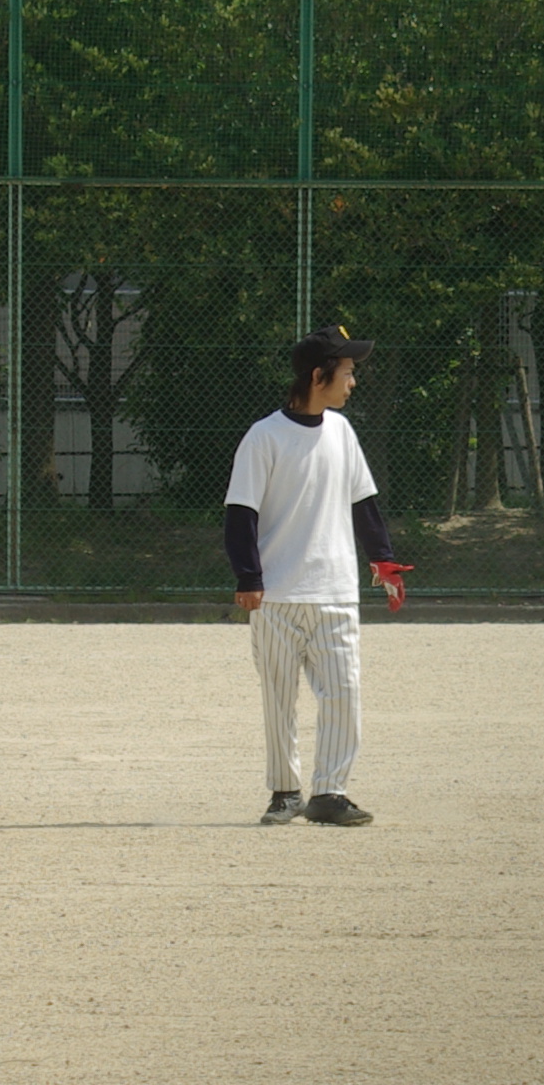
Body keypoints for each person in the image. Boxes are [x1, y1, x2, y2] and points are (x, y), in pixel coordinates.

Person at [225, 327, 404, 827]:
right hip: (278, 595)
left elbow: (363, 503)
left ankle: (329, 792)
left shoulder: (342, 432)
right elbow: (240, 513)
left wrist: (384, 560)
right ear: (318, 375)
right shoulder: (264, 436)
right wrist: (248, 577)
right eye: (347, 372)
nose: (353, 382)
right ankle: (285, 791)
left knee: (344, 692)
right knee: (278, 697)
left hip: (336, 591)